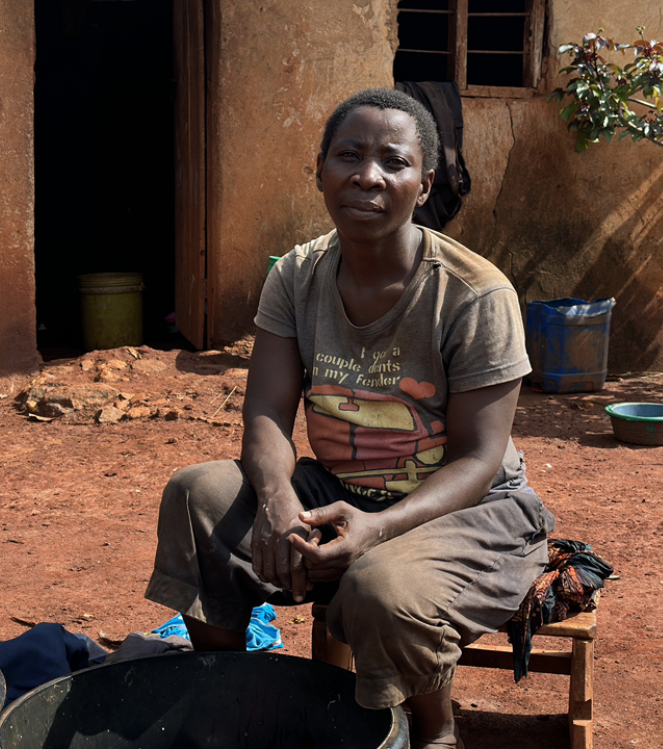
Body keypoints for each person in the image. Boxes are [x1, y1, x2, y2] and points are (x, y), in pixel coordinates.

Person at [144, 88, 555, 749]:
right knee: (198, 496)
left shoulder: (475, 293)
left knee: (378, 583)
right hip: (338, 493)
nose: (368, 175)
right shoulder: (297, 277)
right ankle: (225, 697)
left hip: (469, 511)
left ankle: (432, 729)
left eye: (393, 161)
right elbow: (267, 411)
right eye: (349, 155)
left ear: (424, 184)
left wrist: (378, 528)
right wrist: (278, 499)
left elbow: (479, 460)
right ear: (321, 171)